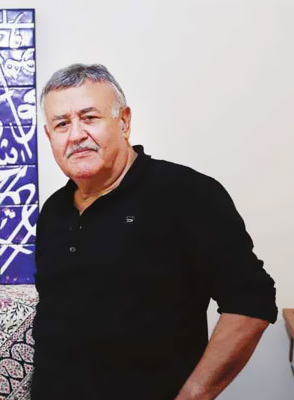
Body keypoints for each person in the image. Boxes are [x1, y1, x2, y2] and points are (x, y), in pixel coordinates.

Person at [31, 64, 277, 400]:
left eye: (89, 118)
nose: (75, 135)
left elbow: (252, 301)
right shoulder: (53, 211)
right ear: (49, 137)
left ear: (124, 121)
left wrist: (193, 396)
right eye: (62, 124)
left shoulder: (186, 194)